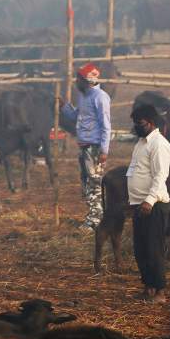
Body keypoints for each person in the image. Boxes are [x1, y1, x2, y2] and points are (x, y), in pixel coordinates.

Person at [127, 103, 170, 303]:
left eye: (140, 123)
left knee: (154, 249)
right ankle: (148, 287)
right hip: (139, 203)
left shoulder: (159, 144)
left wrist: (149, 200)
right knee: (141, 249)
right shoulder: (141, 143)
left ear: (151, 123)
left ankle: (160, 291)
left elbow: (160, 175)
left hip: (153, 205)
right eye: (135, 123)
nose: (137, 127)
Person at [61, 63, 111, 233]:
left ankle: (95, 221)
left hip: (95, 146)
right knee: (86, 182)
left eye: (79, 79)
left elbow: (106, 125)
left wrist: (104, 150)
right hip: (84, 145)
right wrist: (64, 107)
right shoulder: (83, 96)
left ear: (87, 80)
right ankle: (94, 215)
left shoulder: (100, 98)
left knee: (94, 182)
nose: (76, 82)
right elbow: (77, 116)